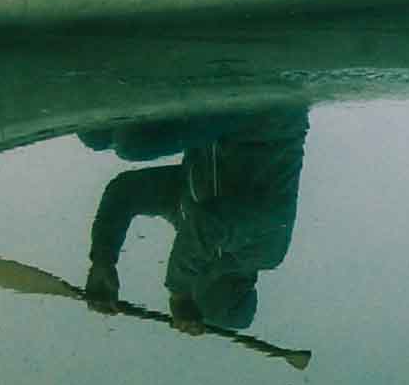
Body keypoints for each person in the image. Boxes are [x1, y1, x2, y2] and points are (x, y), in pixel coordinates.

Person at [79, 107, 309, 331]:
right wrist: (179, 292)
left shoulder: (188, 212)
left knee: (95, 135)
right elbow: (210, 225)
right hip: (266, 118)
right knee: (133, 143)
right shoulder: (264, 251)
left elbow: (126, 191)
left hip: (221, 123)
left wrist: (103, 259)